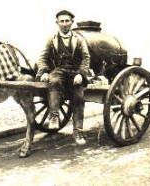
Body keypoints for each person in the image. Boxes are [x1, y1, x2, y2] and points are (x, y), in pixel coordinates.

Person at [36, 10, 90, 145]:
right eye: (62, 21)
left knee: (78, 97)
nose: (65, 24)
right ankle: (54, 117)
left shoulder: (79, 39)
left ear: (72, 22)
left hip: (75, 72)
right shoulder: (52, 39)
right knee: (53, 81)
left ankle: (78, 132)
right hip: (58, 71)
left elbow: (86, 58)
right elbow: (42, 57)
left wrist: (81, 74)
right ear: (57, 23)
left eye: (67, 21)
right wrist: (43, 72)